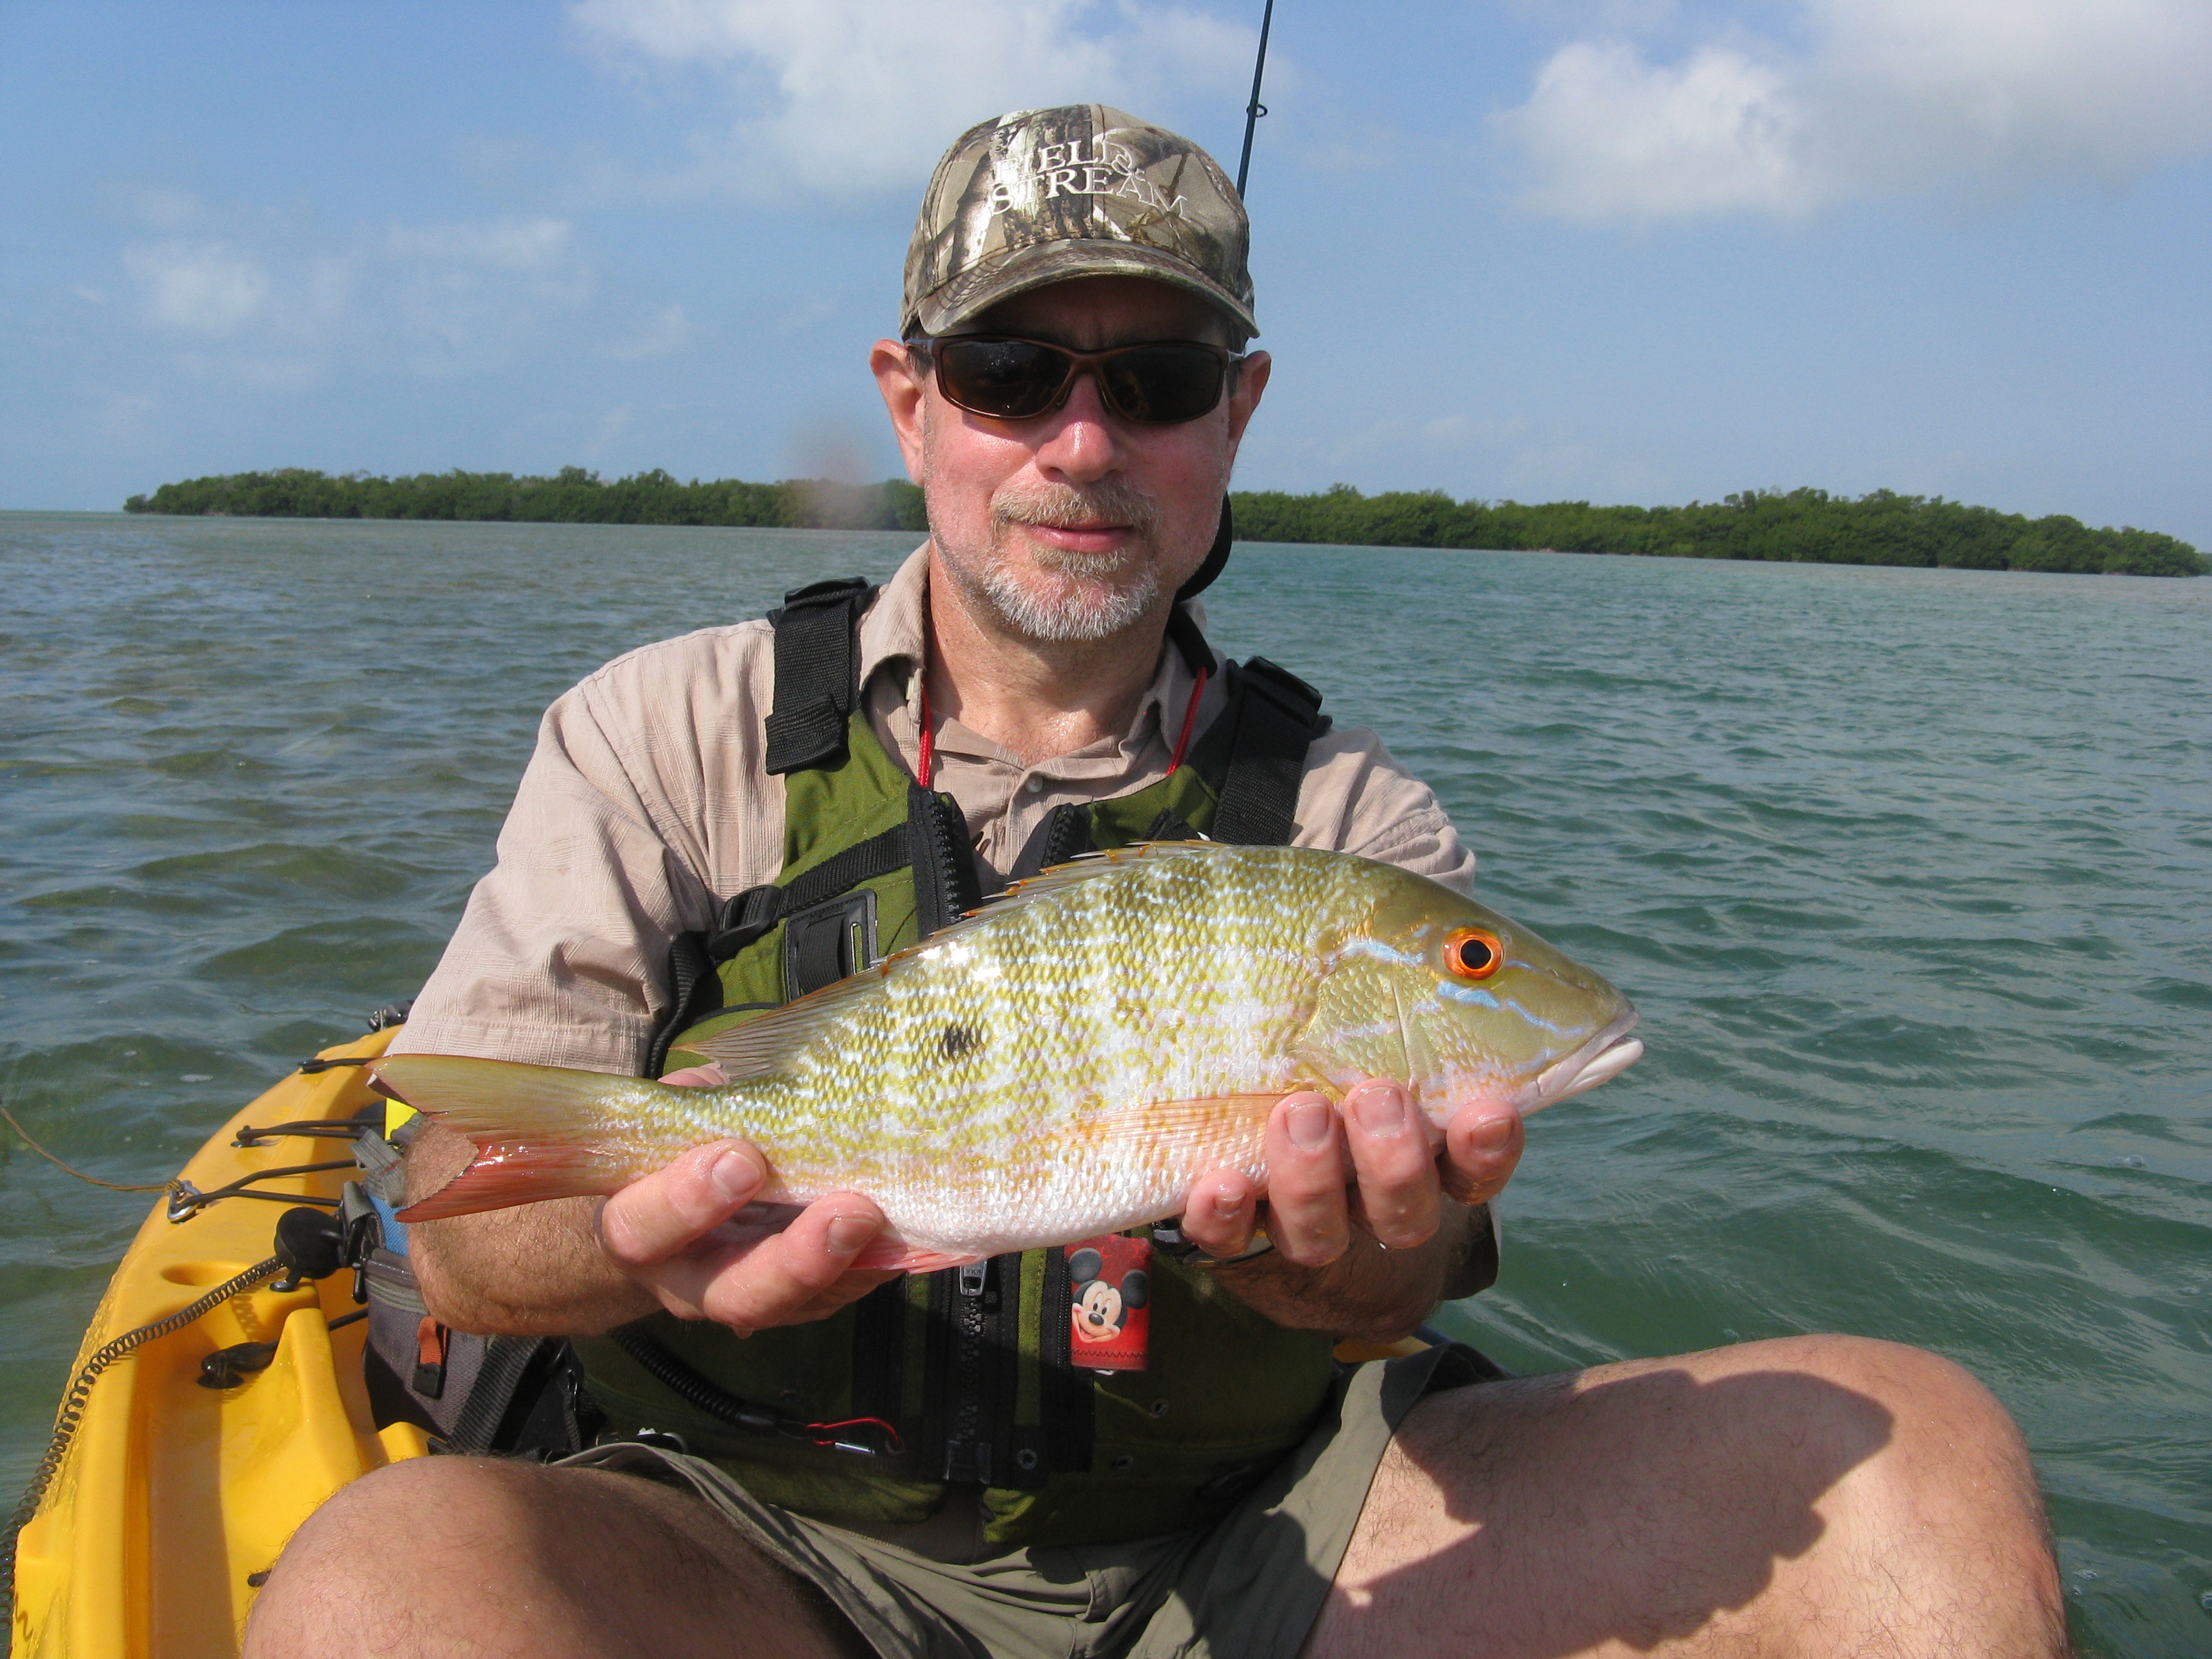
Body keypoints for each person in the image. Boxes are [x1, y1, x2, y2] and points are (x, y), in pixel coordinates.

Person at [247, 106, 2065, 1658]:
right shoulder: (664, 735)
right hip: (753, 1548)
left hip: (1270, 1545)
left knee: (1917, 1460)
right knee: (381, 1583)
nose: (1084, 442)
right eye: (1010, 373)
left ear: (1237, 414)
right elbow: (461, 1229)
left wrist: (1346, 1259)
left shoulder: (1352, 825)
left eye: (1160, 381)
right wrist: (651, 1238)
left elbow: (1407, 1276)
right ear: (909, 403)